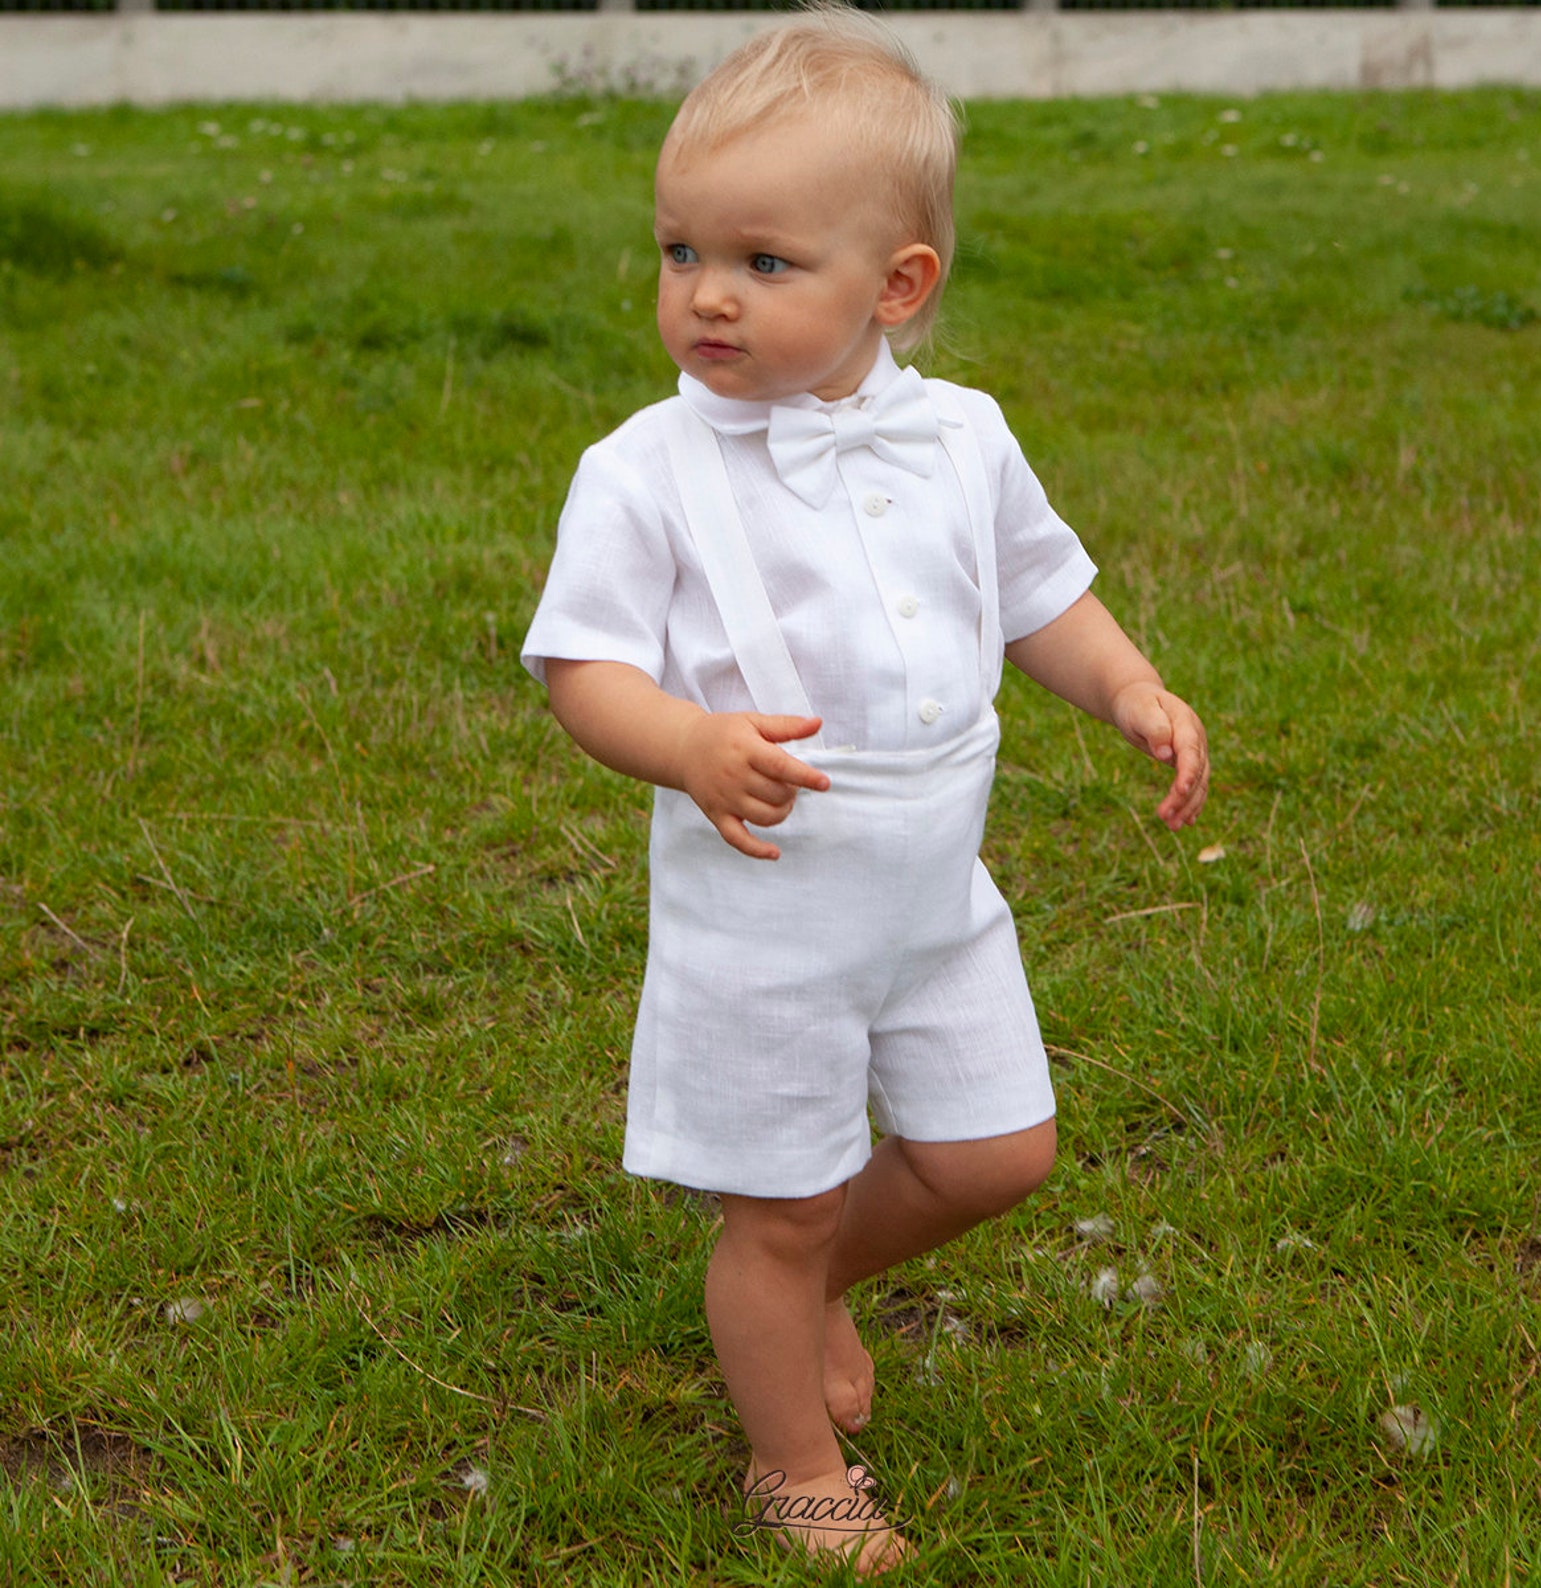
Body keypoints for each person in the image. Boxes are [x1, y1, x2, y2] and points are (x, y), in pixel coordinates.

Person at [521, 6, 1208, 1572]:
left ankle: (819, 1279)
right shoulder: (646, 469)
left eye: (765, 263)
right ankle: (793, 1461)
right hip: (767, 906)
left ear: (898, 286)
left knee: (998, 1155)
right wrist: (688, 745)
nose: (705, 293)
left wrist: (1127, 685)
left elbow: (1039, 594)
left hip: (933, 896)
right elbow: (585, 667)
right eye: (681, 247)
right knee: (781, 1202)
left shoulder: (960, 440)